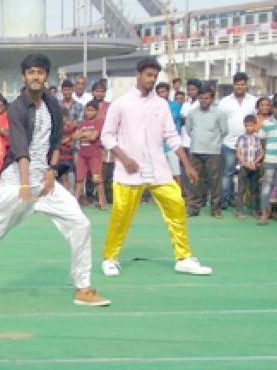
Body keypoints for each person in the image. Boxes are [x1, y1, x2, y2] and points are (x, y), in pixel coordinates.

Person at [0, 54, 109, 308]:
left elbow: (56, 140)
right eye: (31, 72)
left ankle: (83, 288)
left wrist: (51, 171)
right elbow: (20, 148)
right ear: (24, 76)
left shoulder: (52, 104)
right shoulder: (17, 108)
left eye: (40, 72)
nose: (35, 77)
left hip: (45, 181)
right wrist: (25, 184)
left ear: (46, 76)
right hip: (17, 180)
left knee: (80, 224)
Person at [100, 58, 210, 278]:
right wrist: (124, 158)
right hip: (129, 171)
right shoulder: (121, 103)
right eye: (148, 75)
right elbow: (107, 136)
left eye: (155, 76)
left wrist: (186, 164)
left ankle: (184, 258)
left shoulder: (161, 104)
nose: (152, 80)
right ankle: (110, 258)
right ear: (138, 75)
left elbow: (172, 135)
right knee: (121, 215)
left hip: (159, 170)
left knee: (177, 206)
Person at [217, 72, 258, 215]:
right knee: (227, 173)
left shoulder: (253, 101)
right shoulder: (224, 102)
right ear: (233, 85)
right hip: (229, 142)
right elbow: (219, 122)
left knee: (247, 175)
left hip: (249, 146)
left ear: (246, 85)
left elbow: (257, 120)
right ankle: (224, 200)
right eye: (237, 84)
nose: (240, 87)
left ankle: (244, 202)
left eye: (242, 84)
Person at [184, 89, 226, 217]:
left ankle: (216, 209)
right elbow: (189, 130)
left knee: (215, 181)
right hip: (196, 149)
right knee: (194, 180)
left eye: (207, 98)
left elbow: (224, 130)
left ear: (212, 99)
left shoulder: (219, 113)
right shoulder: (192, 113)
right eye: (201, 98)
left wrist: (213, 141)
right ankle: (193, 208)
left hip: (213, 151)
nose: (204, 101)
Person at [257, 95, 277, 225]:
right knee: (267, 186)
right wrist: (264, 157)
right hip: (270, 159)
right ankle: (265, 212)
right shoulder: (267, 123)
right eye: (276, 108)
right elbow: (262, 142)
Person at [73, 101, 106, 209]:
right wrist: (86, 134)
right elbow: (75, 136)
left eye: (91, 110)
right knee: (79, 178)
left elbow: (94, 137)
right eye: (87, 110)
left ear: (96, 111)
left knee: (96, 178)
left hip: (95, 154)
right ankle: (75, 202)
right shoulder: (82, 123)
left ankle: (102, 202)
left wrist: (82, 135)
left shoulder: (99, 122)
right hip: (82, 154)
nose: (89, 113)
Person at [234, 115, 263, 219]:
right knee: (241, 189)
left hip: (254, 167)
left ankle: (254, 210)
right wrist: (246, 164)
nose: (249, 128)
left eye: (251, 126)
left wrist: (254, 163)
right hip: (243, 167)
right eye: (247, 126)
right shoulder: (241, 138)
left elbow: (260, 153)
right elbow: (238, 153)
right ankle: (239, 211)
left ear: (255, 126)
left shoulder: (257, 138)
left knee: (254, 189)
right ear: (244, 126)